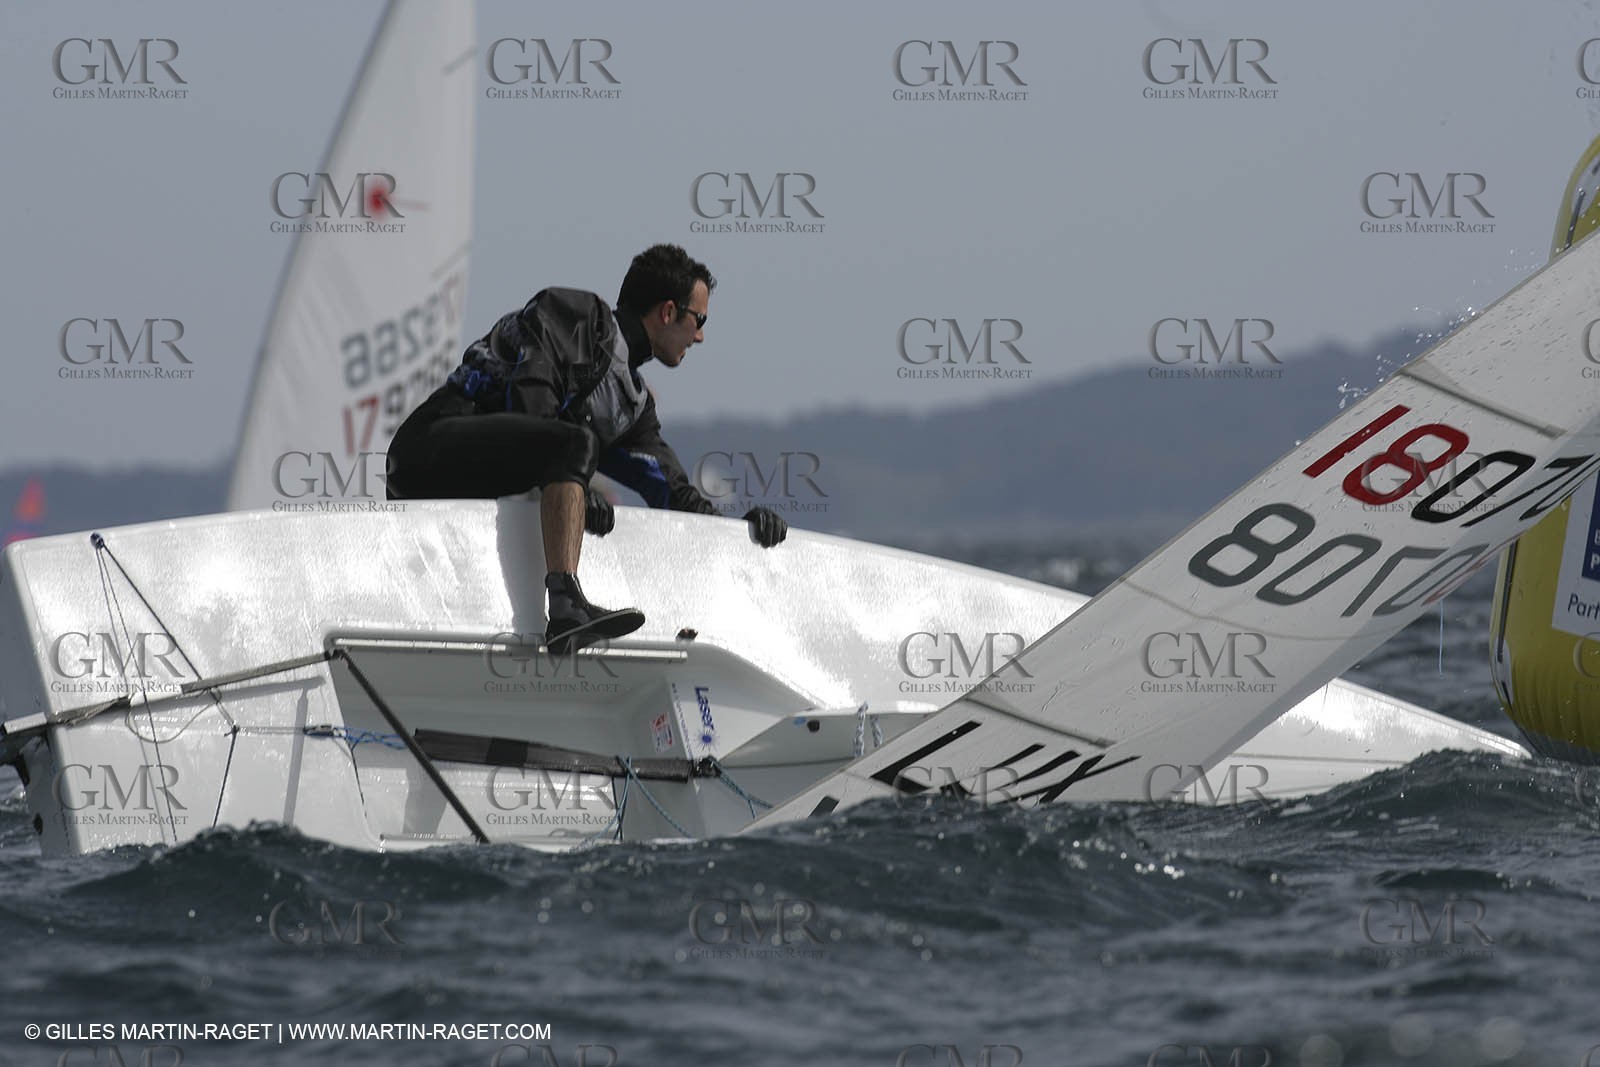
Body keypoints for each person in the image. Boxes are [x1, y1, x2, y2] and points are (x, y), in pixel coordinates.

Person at [385, 243, 787, 653]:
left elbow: (674, 494)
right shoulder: (577, 318)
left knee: (574, 446)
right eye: (698, 319)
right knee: (575, 443)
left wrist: (741, 531)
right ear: (668, 312)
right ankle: (565, 608)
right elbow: (531, 405)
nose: (700, 336)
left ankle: (560, 610)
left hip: (482, 481)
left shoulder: (632, 404)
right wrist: (570, 485)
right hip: (426, 452)